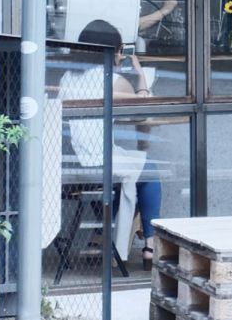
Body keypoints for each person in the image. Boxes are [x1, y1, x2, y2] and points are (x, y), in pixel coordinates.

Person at [60, 20, 163, 268]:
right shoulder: (113, 79)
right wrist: (140, 76)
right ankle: (151, 244)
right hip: (99, 162)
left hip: (75, 161)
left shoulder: (67, 77)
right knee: (149, 169)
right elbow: (143, 112)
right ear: (112, 51)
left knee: (128, 172)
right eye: (119, 50)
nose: (120, 55)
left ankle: (101, 234)